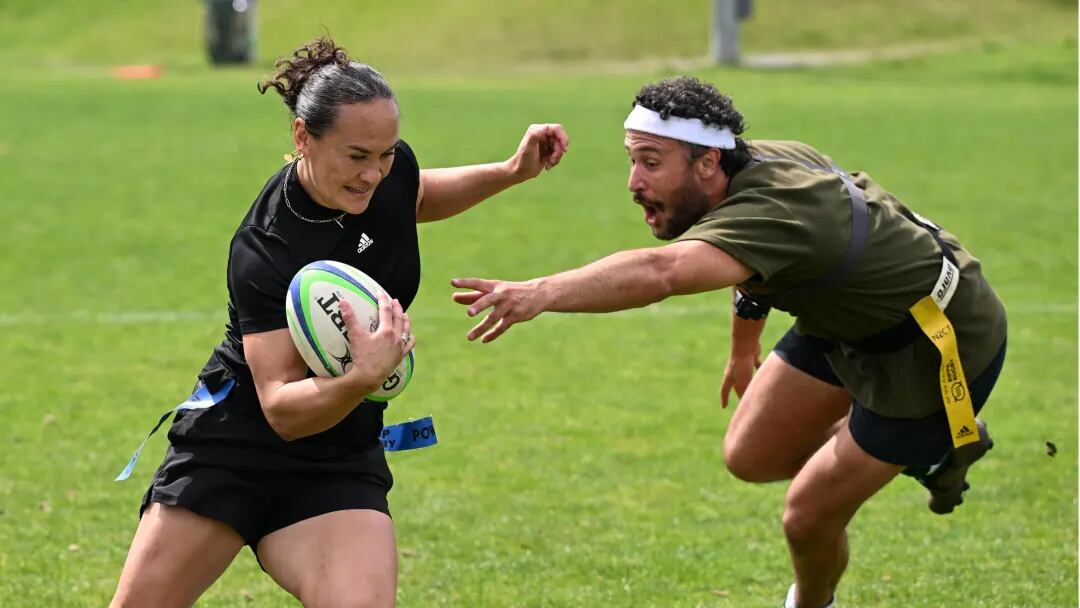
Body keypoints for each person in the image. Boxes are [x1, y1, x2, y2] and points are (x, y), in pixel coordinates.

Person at [450, 76, 1006, 608]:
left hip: (931, 348)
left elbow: (662, 272)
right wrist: (744, 349)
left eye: (650, 162)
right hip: (846, 323)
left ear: (708, 161)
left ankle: (821, 592)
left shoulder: (775, 208)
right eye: (632, 159)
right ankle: (924, 453)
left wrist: (540, 292)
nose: (633, 182)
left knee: (806, 516)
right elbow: (760, 266)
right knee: (750, 455)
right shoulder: (748, 165)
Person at [110, 37, 569, 608]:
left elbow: (417, 195)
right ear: (303, 136)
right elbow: (280, 408)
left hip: (337, 457)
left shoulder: (388, 173)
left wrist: (510, 171)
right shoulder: (266, 248)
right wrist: (360, 379)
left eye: (387, 153)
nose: (375, 173)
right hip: (235, 448)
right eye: (357, 156)